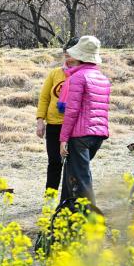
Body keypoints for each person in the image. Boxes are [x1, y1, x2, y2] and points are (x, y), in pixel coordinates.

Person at [58, 36, 110, 206]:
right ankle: (65, 212)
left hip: (79, 136)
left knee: (81, 179)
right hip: (98, 135)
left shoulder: (78, 77)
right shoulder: (102, 78)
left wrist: (63, 139)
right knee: (73, 173)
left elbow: (72, 111)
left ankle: (90, 216)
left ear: (79, 55)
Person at [35, 37, 79, 192]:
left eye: (71, 52)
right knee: (54, 161)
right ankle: (50, 197)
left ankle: (72, 197)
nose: (67, 54)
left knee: (73, 164)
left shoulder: (82, 74)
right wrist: (40, 121)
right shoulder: (55, 73)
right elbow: (44, 98)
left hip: (75, 126)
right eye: (66, 51)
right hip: (54, 125)